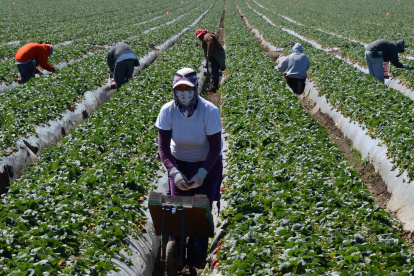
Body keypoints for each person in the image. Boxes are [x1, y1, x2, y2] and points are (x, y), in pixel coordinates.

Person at [156, 67, 223, 269]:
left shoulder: (209, 111)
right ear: (174, 90)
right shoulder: (167, 111)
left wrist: (203, 173)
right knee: (177, 210)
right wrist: (174, 172)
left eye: (188, 88)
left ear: (196, 89)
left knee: (200, 212)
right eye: (180, 88)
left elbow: (215, 147)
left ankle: (198, 254)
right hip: (179, 163)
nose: (184, 92)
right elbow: (163, 147)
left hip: (207, 165)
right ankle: (176, 248)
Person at [195, 29, 226, 93]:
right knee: (215, 71)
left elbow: (210, 42)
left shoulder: (207, 36)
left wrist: (208, 53)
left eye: (200, 36)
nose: (200, 38)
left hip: (216, 55)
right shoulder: (207, 35)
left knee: (214, 71)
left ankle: (214, 88)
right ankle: (214, 87)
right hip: (218, 54)